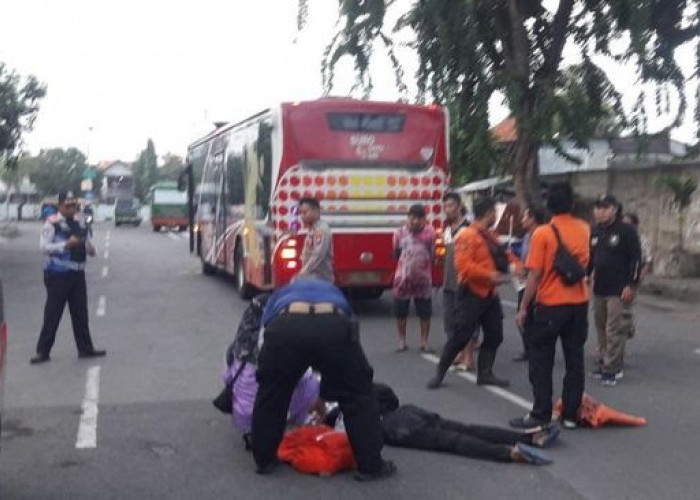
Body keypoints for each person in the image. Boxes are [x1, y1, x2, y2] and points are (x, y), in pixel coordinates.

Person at [250, 279, 395, 481]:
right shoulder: (333, 291)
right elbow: (351, 336)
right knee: (358, 393)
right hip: (333, 325)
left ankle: (264, 461)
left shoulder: (280, 294)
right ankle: (370, 465)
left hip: (286, 327)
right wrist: (329, 391)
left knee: (271, 393)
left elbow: (266, 333)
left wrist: (271, 376)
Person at [510, 182, 590, 430]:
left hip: (550, 305)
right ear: (572, 204)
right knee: (574, 360)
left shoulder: (543, 233)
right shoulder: (584, 229)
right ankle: (570, 413)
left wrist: (523, 307)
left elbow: (534, 275)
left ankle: (541, 413)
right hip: (579, 303)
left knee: (541, 360)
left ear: (548, 206)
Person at [325, 383, 559, 465]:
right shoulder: (365, 388)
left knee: (452, 442)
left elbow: (340, 435)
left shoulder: (338, 410)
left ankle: (507, 453)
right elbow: (390, 397)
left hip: (394, 428)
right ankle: (531, 437)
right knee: (464, 428)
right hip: (409, 411)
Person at [427, 196, 520, 389]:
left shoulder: (489, 235)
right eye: (494, 212)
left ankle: (485, 373)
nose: (496, 215)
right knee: (460, 336)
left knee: (495, 334)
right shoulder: (467, 236)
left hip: (489, 294)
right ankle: (439, 374)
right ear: (487, 214)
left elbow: (506, 254)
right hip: (471, 292)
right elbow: (464, 267)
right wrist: (491, 275)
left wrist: (518, 267)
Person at [212, 293, 321, 450]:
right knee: (311, 383)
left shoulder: (235, 349)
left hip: (244, 415)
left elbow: (227, 377)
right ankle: (294, 424)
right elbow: (300, 376)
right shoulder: (279, 346)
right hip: (275, 407)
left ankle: (251, 430)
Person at [31, 191, 106, 364]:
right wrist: (65, 245)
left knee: (81, 314)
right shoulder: (52, 224)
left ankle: (85, 349)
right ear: (60, 206)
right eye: (68, 205)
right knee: (53, 314)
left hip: (78, 275)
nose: (72, 208)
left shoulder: (80, 222)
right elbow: (43, 248)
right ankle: (43, 352)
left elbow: (85, 241)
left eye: (74, 205)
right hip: (58, 275)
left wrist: (91, 249)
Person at [589, 195, 641, 386]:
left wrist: (631, 284)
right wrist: (586, 275)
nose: (599, 211)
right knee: (601, 327)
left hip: (618, 289)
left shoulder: (626, 231)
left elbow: (636, 259)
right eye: (597, 208)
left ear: (614, 210)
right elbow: (590, 258)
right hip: (600, 287)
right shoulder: (595, 231)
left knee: (614, 329)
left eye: (604, 208)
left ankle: (613, 368)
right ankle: (604, 361)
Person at [391, 204, 436, 352]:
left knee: (425, 313)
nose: (415, 221)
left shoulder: (430, 233)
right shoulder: (399, 233)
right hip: (402, 279)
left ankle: (424, 341)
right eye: (413, 217)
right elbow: (395, 254)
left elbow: (433, 254)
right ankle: (401, 341)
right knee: (400, 312)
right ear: (408, 217)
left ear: (424, 219)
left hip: (423, 279)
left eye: (419, 218)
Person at [441, 193, 474, 370]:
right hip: (448, 282)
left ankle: (469, 358)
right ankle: (459, 353)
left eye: (451, 205)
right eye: (445, 206)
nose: (448, 210)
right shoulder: (446, 230)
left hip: (464, 283)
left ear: (459, 206)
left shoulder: (468, 229)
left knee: (465, 322)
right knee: (451, 321)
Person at [513, 205, 549, 362]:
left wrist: (527, 270)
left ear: (534, 218)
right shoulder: (528, 236)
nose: (522, 220)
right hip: (524, 281)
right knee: (524, 318)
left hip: (538, 282)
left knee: (531, 315)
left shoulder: (541, 235)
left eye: (525, 217)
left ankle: (537, 349)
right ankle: (528, 348)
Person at [295, 197, 334, 282]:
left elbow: (318, 254)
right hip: (313, 278)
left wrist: (304, 272)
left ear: (316, 211)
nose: (302, 216)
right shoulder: (313, 229)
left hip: (321, 279)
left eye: (305, 212)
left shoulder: (321, 230)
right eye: (300, 213)